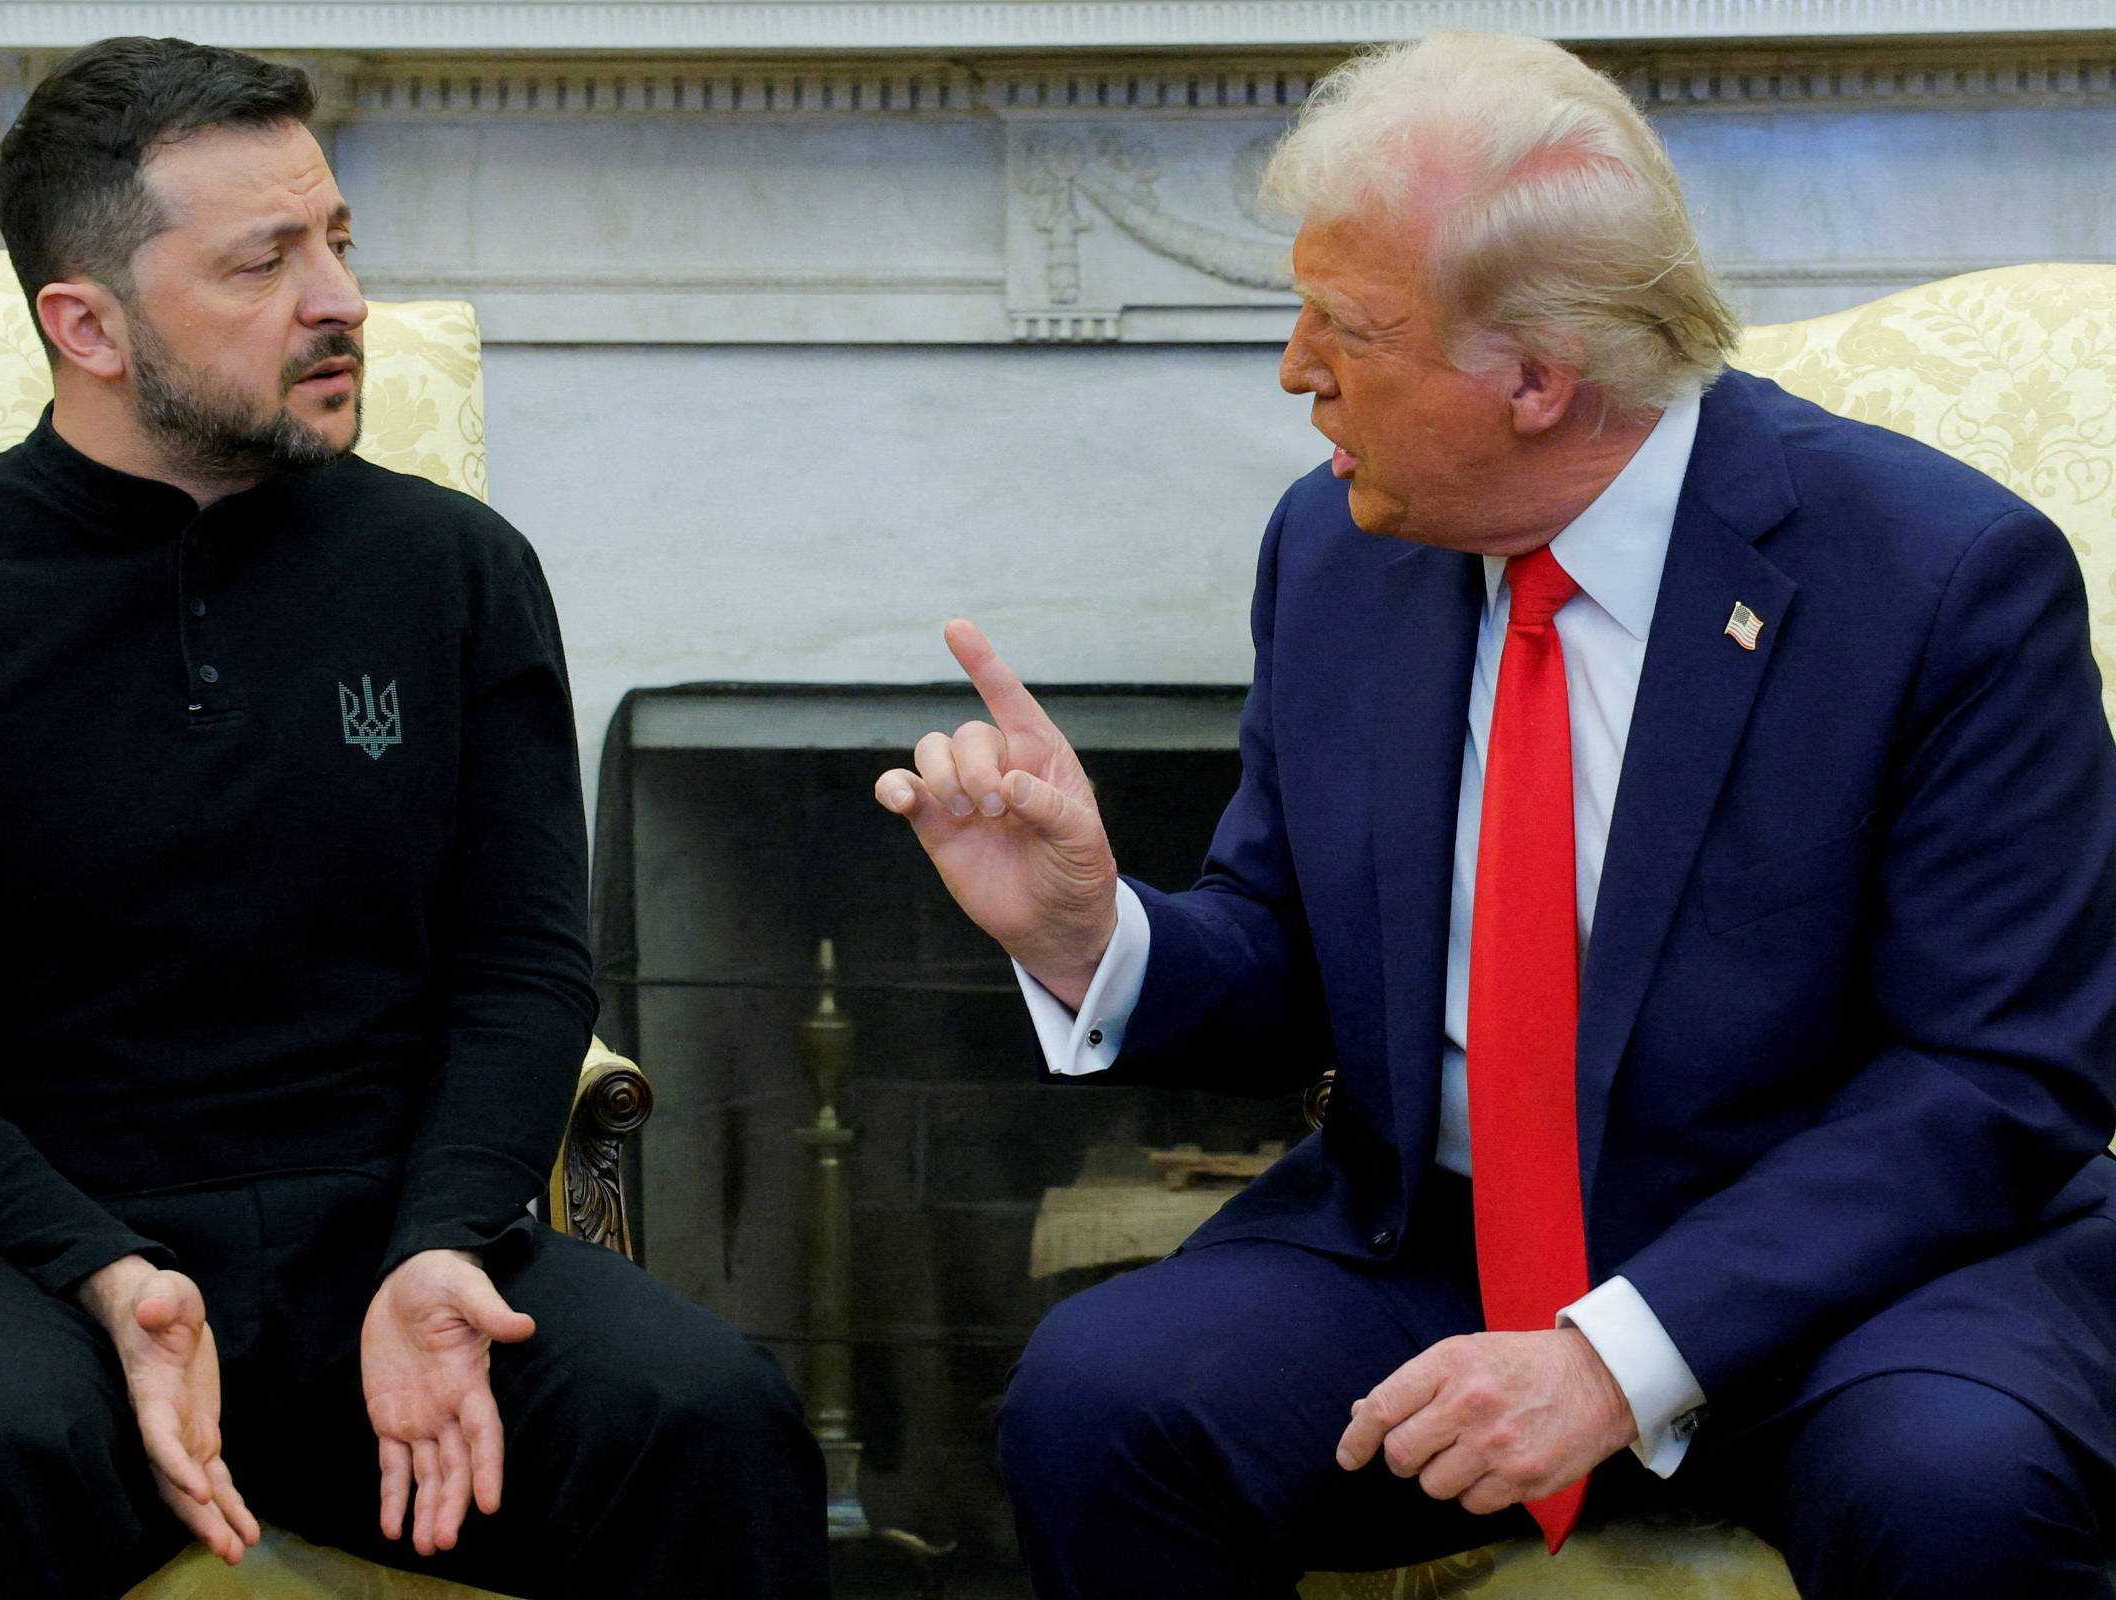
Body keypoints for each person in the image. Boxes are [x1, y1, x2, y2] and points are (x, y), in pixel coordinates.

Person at [877, 31, 2116, 1600]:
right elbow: (1286, 958)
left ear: (1538, 376)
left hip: (1853, 1286)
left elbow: (1993, 1082)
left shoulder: (1940, 581)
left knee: (1957, 1493)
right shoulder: (1338, 552)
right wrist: (1090, 934)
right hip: (1443, 1243)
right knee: (1107, 1403)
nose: (1295, 368)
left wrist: (1609, 1359)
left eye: (1351, 325)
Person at [0, 36, 826, 1600]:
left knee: (713, 1419)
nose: (340, 300)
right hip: (40, 1269)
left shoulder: (456, 573)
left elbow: (523, 971)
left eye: (338, 242)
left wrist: (445, 1240)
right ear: (86, 323)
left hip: (392, 1247)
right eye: (266, 261)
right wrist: (107, 1274)